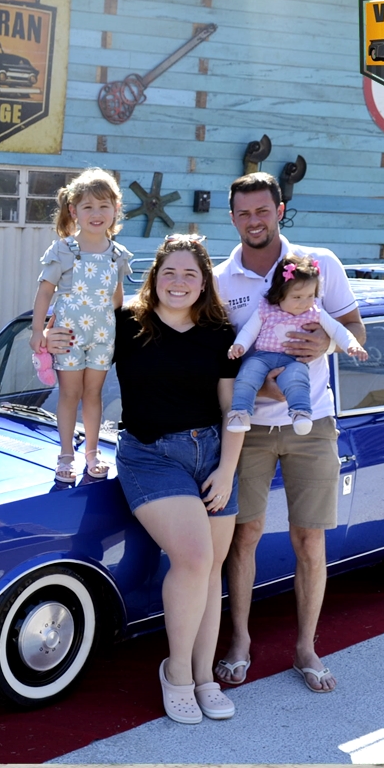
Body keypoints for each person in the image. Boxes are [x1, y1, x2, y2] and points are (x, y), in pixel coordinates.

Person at [211, 172, 366, 694]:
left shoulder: (319, 264)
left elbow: (354, 329)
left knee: (309, 537)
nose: (253, 220)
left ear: (280, 210)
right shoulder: (221, 280)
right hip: (248, 428)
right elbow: (213, 354)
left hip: (312, 422)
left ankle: (306, 648)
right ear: (232, 218)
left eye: (263, 210)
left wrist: (324, 343)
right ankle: (239, 641)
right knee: (244, 535)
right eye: (243, 213)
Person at [82, 232, 244, 724]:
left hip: (213, 454)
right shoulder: (126, 325)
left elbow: (232, 408)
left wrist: (227, 469)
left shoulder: (220, 332)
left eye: (189, 274)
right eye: (169, 272)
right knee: (194, 559)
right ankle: (176, 673)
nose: (178, 281)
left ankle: (204, 677)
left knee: (211, 568)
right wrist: (54, 337)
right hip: (150, 455)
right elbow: (76, 362)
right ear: (154, 277)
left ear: (204, 283)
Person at [30, 168, 134, 484]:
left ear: (116, 210)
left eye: (104, 206)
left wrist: (104, 322)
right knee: (69, 394)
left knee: (93, 394)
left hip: (102, 337)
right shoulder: (64, 250)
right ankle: (65, 454)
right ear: (74, 211)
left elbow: (117, 300)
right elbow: (45, 291)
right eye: (88, 206)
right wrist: (38, 331)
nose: (96, 213)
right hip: (68, 337)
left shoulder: (118, 255)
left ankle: (92, 452)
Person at [226, 253, 368, 435]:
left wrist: (352, 345)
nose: (304, 303)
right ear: (280, 294)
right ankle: (240, 413)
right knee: (247, 375)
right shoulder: (265, 309)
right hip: (262, 357)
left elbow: (338, 330)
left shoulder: (315, 312)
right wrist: (239, 346)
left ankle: (301, 414)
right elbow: (249, 331)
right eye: (297, 297)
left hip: (293, 360)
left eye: (310, 296)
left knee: (297, 380)